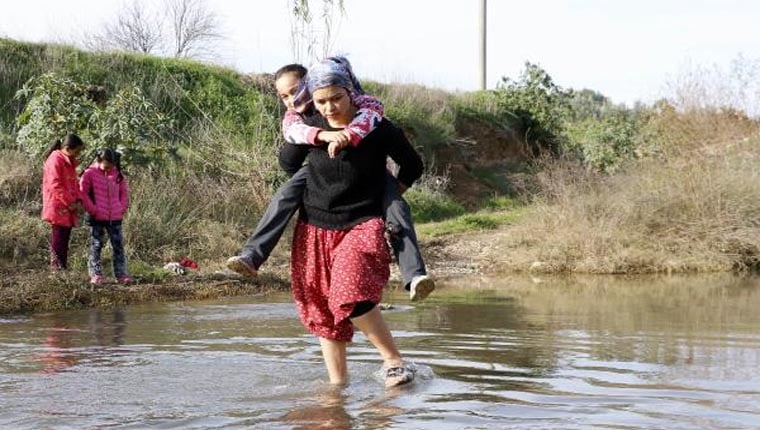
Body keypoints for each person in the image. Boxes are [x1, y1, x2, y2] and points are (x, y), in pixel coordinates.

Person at [227, 59, 435, 301]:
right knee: (286, 194)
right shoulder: (301, 121)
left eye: (295, 91)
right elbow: (288, 163)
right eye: (285, 96)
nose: (293, 100)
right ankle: (252, 256)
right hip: (317, 186)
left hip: (373, 179)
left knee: (397, 208)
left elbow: (410, 161)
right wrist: (320, 144)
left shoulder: (370, 117)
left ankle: (414, 276)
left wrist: (392, 190)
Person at [279, 57, 424, 387]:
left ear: (351, 93)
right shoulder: (310, 126)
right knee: (322, 311)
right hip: (314, 228)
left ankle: (394, 362)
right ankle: (337, 389)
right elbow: (287, 163)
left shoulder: (375, 126)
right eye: (321, 101)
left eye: (336, 99)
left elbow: (412, 165)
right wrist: (317, 136)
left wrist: (386, 193)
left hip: (362, 223)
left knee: (350, 291)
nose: (329, 108)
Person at [79, 148, 133, 285]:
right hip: (96, 217)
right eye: (106, 165)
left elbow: (124, 193)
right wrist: (93, 210)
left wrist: (121, 208)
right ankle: (96, 274)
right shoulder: (89, 173)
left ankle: (121, 274)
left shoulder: (118, 174)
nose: (110, 168)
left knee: (118, 246)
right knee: (96, 245)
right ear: (99, 160)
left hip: (115, 216)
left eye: (112, 165)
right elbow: (82, 194)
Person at [41, 133, 85, 271]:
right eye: (77, 151)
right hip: (58, 206)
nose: (77, 154)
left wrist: (78, 200)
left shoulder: (68, 162)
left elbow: (75, 184)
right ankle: (56, 270)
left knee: (64, 239)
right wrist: (70, 202)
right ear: (68, 148)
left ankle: (61, 269)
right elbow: (55, 185)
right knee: (59, 239)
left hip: (67, 207)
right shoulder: (55, 160)